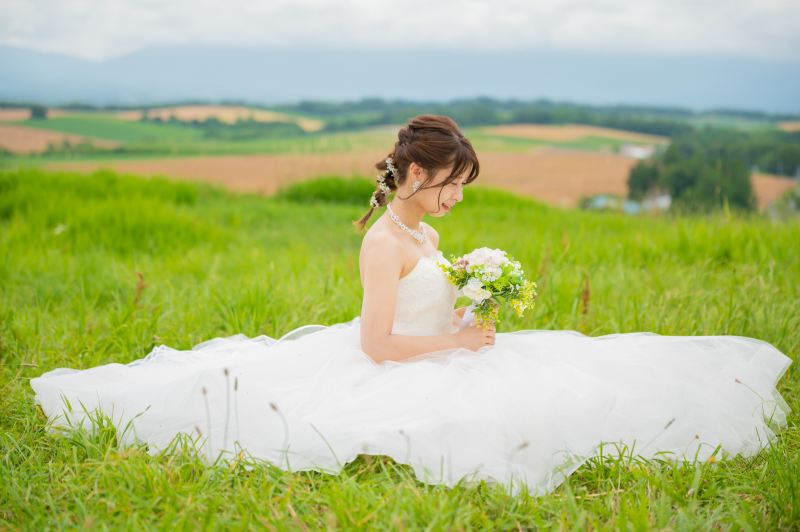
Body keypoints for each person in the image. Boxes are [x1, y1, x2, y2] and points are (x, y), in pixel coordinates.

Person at [30, 115, 792, 497]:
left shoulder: (422, 231)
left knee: (598, 370)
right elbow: (376, 347)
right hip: (402, 364)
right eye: (451, 181)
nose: (459, 195)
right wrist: (460, 348)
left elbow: (428, 314)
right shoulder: (384, 244)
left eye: (467, 184)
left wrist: (470, 313)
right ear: (415, 171)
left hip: (446, 347)